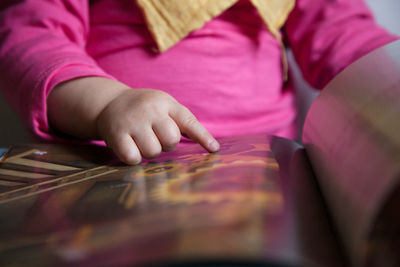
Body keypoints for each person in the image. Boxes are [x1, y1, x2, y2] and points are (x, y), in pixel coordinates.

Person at [0, 0, 397, 165]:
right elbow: (30, 37)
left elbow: (346, 37)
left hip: (268, 175)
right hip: (111, 172)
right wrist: (107, 103)